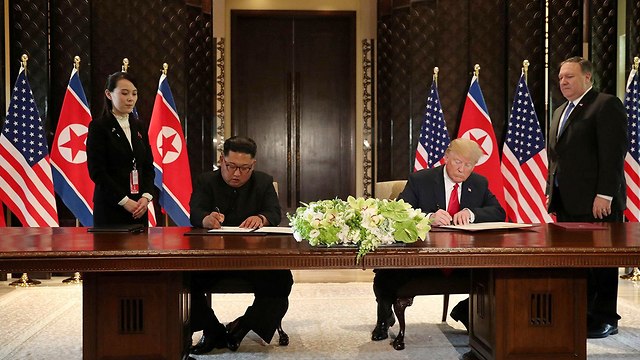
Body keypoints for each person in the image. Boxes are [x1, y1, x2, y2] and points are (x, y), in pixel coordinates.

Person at [371, 138, 505, 341]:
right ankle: (384, 318)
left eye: (468, 165)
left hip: (464, 258)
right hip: (423, 257)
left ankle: (464, 310)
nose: (462, 169)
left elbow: (498, 212)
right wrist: (427, 217)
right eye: (457, 162)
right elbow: (397, 212)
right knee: (386, 271)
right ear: (446, 157)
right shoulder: (420, 180)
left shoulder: (478, 183)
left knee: (500, 274)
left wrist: (471, 213)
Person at [547, 56, 628, 339]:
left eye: (569, 76)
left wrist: (604, 194)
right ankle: (582, 313)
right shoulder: (559, 111)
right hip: (566, 201)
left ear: (587, 78)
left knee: (601, 262)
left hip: (598, 202)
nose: (563, 82)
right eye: (560, 78)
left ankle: (606, 318)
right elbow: (559, 158)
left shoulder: (605, 105)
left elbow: (613, 155)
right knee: (578, 262)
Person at [188, 136, 293, 354]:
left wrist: (262, 218)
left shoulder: (263, 182)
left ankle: (243, 326)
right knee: (183, 279)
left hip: (254, 259)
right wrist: (206, 219)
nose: (237, 174)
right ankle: (212, 330)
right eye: (231, 166)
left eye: (244, 168)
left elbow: (274, 213)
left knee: (282, 280)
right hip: (213, 259)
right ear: (221, 160)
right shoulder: (206, 181)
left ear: (253, 165)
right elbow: (195, 212)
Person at [86, 71, 154, 227]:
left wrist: (146, 197)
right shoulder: (99, 127)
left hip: (139, 208)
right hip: (111, 208)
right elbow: (97, 171)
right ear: (109, 95)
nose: (131, 98)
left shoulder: (139, 126)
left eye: (134, 94)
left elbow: (148, 166)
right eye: (124, 93)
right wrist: (124, 201)